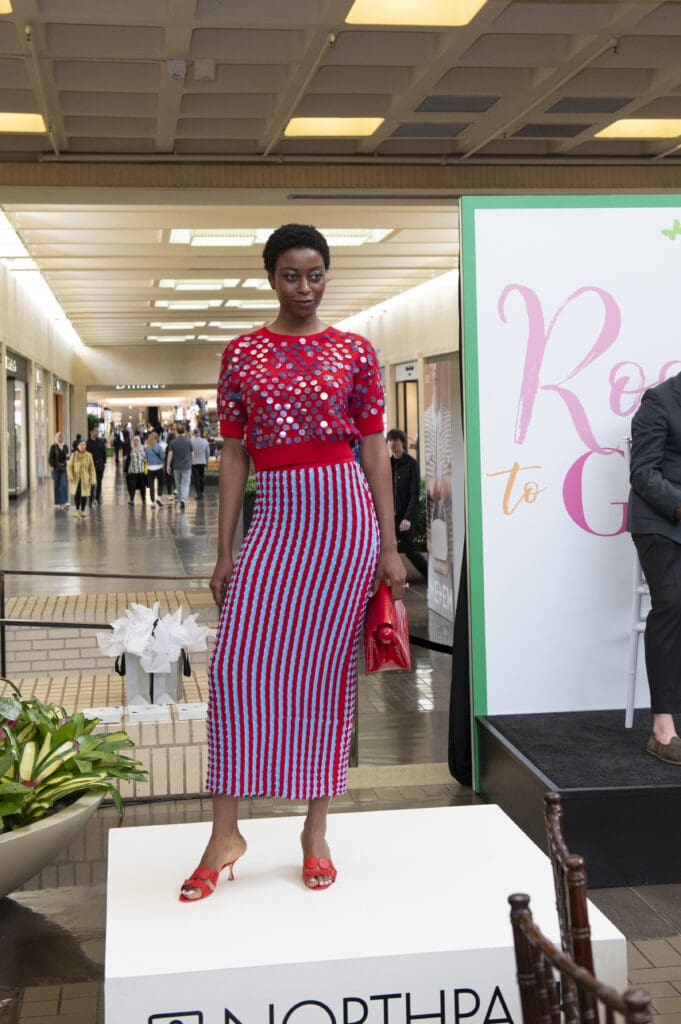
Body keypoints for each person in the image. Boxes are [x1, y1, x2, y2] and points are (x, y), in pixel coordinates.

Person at [179, 223, 406, 902]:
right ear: (269, 277)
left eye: (314, 274)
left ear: (327, 276)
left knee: (325, 677)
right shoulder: (243, 353)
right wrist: (223, 550)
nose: (303, 288)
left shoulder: (354, 352)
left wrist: (389, 547)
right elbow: (233, 455)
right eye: (289, 275)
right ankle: (226, 834)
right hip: (274, 514)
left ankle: (315, 831)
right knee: (237, 669)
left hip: (342, 517)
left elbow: (372, 452)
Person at [628, 372, 681, 765]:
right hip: (662, 524)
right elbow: (643, 473)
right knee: (674, 603)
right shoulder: (658, 402)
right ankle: (663, 728)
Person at [387, 428, 427, 580]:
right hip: (390, 515)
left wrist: (408, 518)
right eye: (390, 440)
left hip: (404, 515)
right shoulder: (388, 463)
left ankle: (429, 577)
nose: (392, 443)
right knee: (384, 548)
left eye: (395, 440)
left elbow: (415, 493)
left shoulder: (411, 463)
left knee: (410, 550)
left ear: (402, 442)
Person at [66, 439, 96, 518]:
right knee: (77, 494)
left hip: (85, 479)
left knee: (84, 494)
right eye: (81, 445)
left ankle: (83, 510)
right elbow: (69, 467)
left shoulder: (89, 455)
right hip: (76, 478)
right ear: (78, 446)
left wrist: (93, 479)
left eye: (84, 445)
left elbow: (92, 469)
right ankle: (76, 509)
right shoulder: (74, 455)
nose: (83, 446)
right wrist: (70, 476)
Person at [167, 423, 193, 510]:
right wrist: (191, 463)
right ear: (184, 432)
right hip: (186, 466)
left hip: (176, 466)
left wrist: (168, 465)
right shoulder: (188, 442)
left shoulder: (173, 442)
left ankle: (180, 498)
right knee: (185, 483)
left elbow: (170, 454)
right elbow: (192, 454)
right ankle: (183, 499)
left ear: (177, 432)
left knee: (178, 483)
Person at [48, 431, 70, 510]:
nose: (61, 438)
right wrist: (51, 465)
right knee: (56, 485)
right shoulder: (53, 447)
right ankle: (56, 503)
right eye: (60, 437)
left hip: (64, 468)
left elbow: (67, 457)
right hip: (56, 468)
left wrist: (68, 461)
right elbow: (50, 458)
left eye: (62, 437)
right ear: (57, 438)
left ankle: (66, 502)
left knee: (64, 484)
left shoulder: (65, 446)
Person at [86, 427, 107, 507]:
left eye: (98, 431)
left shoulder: (100, 442)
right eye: (95, 431)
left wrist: (103, 463)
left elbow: (104, 453)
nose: (97, 432)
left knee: (99, 482)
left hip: (100, 465)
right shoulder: (87, 443)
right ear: (91, 432)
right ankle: (91, 500)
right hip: (91, 466)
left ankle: (98, 499)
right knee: (92, 483)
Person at [144, 431, 165, 507]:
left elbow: (144, 458)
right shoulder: (159, 447)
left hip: (150, 468)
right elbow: (163, 457)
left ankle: (152, 502)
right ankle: (159, 497)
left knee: (151, 485)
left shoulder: (146, 448)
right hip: (159, 467)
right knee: (161, 483)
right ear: (156, 438)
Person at [126, 435, 147, 506]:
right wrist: (125, 471)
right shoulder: (130, 449)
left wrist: (146, 469)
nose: (136, 442)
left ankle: (144, 499)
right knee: (132, 486)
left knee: (142, 486)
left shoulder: (143, 448)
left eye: (137, 440)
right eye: (134, 440)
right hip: (132, 471)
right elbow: (128, 460)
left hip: (141, 471)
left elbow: (145, 459)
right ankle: (132, 499)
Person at [190, 428, 210, 499]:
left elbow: (189, 452)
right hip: (202, 461)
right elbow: (208, 452)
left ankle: (198, 493)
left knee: (196, 478)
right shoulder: (205, 441)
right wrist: (207, 460)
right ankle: (202, 492)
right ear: (199, 433)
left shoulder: (191, 441)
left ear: (193, 433)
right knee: (201, 477)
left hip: (194, 462)